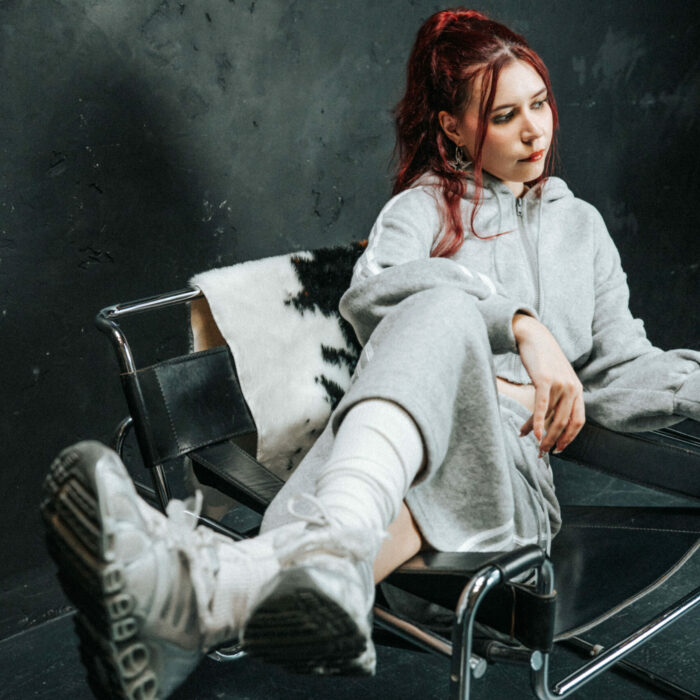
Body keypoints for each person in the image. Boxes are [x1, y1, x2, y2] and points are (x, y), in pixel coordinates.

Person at [42, 8, 700, 700]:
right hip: (393, 483)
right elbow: (371, 296)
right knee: (440, 305)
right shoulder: (424, 209)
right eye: (505, 116)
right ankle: (302, 576)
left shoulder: (582, 227)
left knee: (442, 311)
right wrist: (521, 327)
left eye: (539, 104)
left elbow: (624, 364)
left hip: (503, 503)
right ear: (452, 127)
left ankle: (232, 590)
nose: (535, 130)